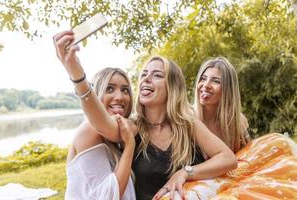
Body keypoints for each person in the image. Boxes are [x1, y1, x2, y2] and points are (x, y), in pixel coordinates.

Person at [53, 30, 237, 200]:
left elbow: (228, 159)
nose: (146, 79)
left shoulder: (187, 124)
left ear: (172, 87)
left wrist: (185, 172)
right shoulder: (132, 127)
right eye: (144, 74)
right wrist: (77, 76)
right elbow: (100, 123)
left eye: (157, 75)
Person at [63, 67, 137, 199]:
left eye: (125, 90)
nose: (120, 97)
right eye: (110, 89)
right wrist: (130, 145)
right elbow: (109, 196)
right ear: (96, 96)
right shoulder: (89, 130)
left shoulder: (118, 133)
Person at [194, 57, 251, 154]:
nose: (206, 85)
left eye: (216, 81)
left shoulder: (238, 121)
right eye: (203, 79)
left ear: (228, 90)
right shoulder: (187, 119)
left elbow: (249, 156)